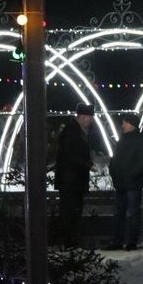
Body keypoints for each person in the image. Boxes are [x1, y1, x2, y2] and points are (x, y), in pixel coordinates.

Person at [105, 114, 143, 251]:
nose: (122, 125)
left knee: (132, 213)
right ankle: (118, 241)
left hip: (132, 184)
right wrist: (113, 171)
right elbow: (116, 159)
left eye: (125, 123)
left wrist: (131, 174)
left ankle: (131, 241)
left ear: (132, 124)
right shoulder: (123, 140)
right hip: (121, 183)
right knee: (119, 213)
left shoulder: (141, 140)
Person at [53, 103, 97, 246]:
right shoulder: (73, 132)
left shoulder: (75, 131)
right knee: (70, 212)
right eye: (90, 118)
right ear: (84, 117)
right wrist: (88, 165)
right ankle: (69, 242)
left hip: (72, 181)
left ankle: (71, 241)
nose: (91, 121)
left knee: (72, 212)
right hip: (71, 181)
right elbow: (70, 155)